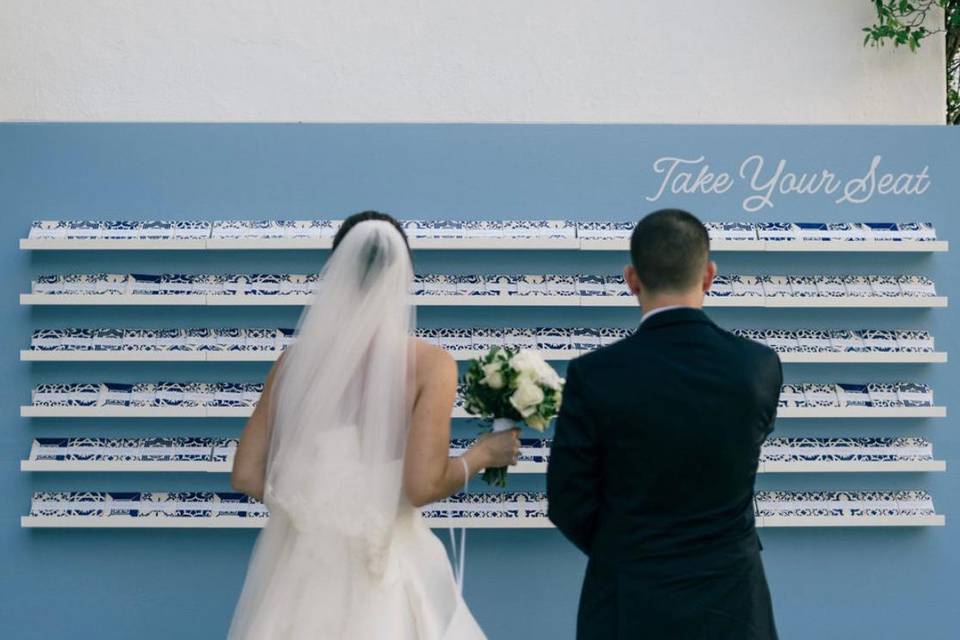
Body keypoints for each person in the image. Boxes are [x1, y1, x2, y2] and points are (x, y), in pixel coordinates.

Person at [228, 211, 519, 639]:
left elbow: (246, 474)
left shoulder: (294, 363)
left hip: (302, 570)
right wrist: (482, 455)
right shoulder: (430, 365)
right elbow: (421, 486)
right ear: (404, 276)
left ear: (337, 268)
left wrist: (318, 504)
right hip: (386, 564)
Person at [547, 209, 781, 639]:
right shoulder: (759, 368)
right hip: (733, 601)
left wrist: (624, 548)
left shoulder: (593, 374)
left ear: (631, 279)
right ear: (709, 275)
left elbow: (566, 500)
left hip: (628, 600)